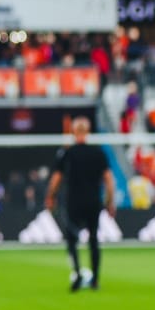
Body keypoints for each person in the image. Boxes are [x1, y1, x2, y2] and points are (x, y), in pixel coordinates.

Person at [45, 117, 116, 292]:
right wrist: (110, 201)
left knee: (71, 239)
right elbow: (109, 179)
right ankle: (95, 279)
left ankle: (77, 273)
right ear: (88, 132)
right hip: (93, 201)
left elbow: (56, 179)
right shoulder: (98, 153)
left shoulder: (68, 153)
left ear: (74, 132)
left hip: (73, 202)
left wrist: (50, 197)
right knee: (93, 239)